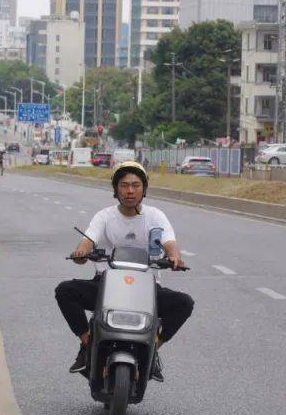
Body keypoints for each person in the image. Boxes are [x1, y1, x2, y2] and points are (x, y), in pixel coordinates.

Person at [54, 161, 194, 382]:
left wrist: (174, 257)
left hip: (147, 288)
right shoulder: (104, 216)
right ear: (116, 189)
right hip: (106, 285)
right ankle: (87, 343)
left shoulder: (156, 216)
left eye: (136, 185)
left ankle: (153, 347)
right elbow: (88, 240)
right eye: (124, 185)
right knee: (64, 290)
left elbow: (169, 242)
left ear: (144, 188)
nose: (130, 191)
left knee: (184, 303)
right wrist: (81, 253)